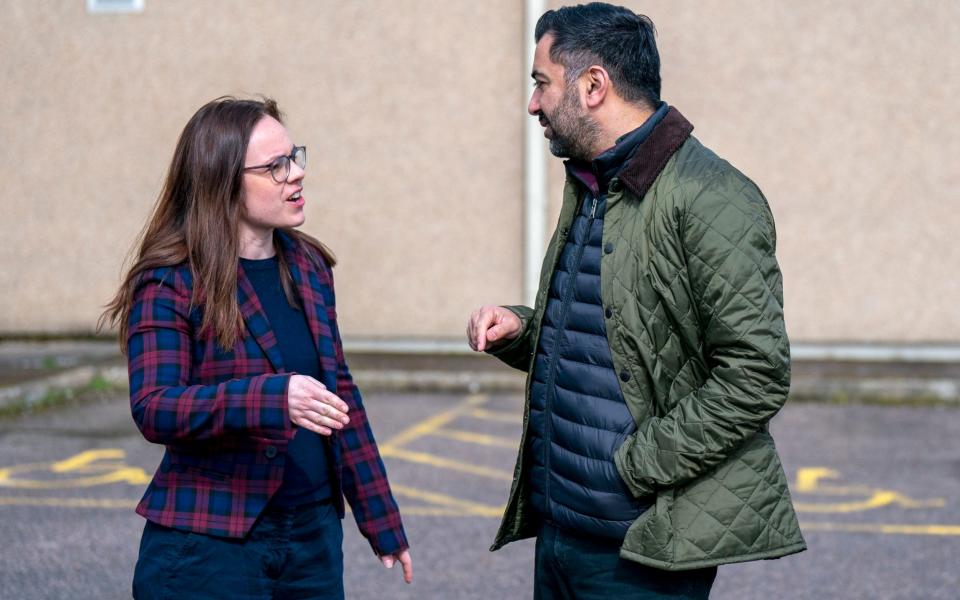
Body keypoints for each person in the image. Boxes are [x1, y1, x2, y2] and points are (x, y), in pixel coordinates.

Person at [467, 4, 805, 598]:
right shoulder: (596, 183)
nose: (533, 104)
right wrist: (521, 332)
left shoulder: (711, 197)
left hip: (641, 545)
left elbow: (757, 374)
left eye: (541, 82)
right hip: (562, 530)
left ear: (593, 85)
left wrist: (636, 467)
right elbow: (612, 336)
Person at [101, 96, 412, 598]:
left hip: (312, 540)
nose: (296, 175)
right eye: (275, 167)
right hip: (210, 545)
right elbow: (155, 407)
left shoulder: (308, 267)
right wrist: (272, 398)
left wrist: (381, 519)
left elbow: (341, 397)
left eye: (295, 157)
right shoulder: (170, 281)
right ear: (222, 181)